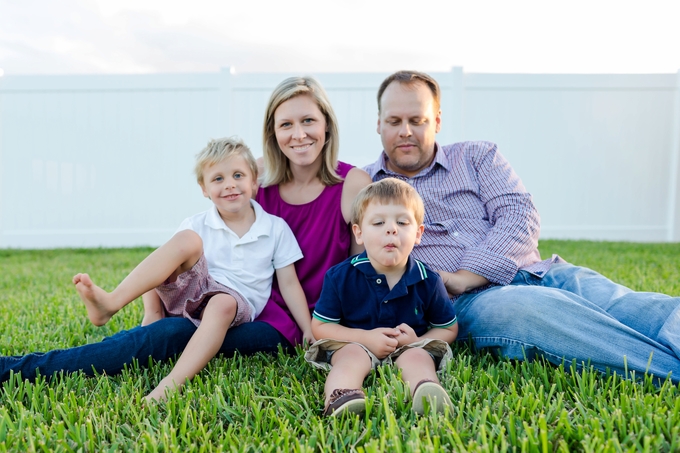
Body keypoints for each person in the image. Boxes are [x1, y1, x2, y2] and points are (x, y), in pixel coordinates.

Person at [0, 76, 371, 387]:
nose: (299, 134)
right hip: (222, 297)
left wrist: (335, 332)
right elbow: (189, 244)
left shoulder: (352, 182)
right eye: (286, 124)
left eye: (308, 121)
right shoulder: (258, 176)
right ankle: (33, 359)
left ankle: (21, 369)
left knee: (167, 337)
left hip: (283, 322)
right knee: (158, 332)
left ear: (326, 124)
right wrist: (154, 306)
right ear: (273, 133)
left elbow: (360, 269)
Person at [364, 70, 680, 383]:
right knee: (538, 310)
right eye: (394, 121)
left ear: (437, 121)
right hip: (473, 303)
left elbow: (519, 214)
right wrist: (458, 287)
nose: (405, 131)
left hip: (538, 271)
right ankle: (671, 373)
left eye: (417, 120)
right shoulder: (366, 186)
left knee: (635, 306)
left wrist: (465, 276)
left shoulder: (477, 156)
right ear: (379, 123)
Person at [72, 136, 312, 401]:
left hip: (235, 301)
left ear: (254, 182)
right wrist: (152, 314)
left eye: (238, 175)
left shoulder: (275, 228)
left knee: (222, 303)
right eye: (218, 179)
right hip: (192, 291)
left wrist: (307, 328)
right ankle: (110, 303)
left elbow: (289, 284)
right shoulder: (196, 223)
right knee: (185, 241)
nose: (230, 184)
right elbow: (162, 264)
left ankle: (170, 385)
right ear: (204, 188)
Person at [305, 178, 458, 416]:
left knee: (418, 356)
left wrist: (416, 340)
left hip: (406, 346)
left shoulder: (428, 279)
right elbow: (321, 326)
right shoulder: (340, 277)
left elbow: (448, 329)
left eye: (402, 222)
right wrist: (364, 338)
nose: (391, 229)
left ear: (418, 233)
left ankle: (426, 391)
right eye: (378, 222)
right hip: (355, 343)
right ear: (359, 233)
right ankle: (341, 397)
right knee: (351, 356)